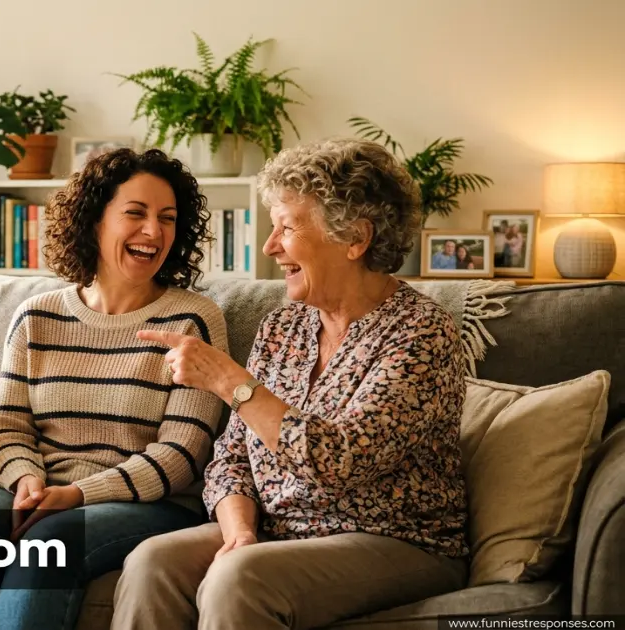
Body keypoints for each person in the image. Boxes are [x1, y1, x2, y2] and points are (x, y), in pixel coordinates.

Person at [112, 138, 469, 629]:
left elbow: (341, 460)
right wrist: (239, 531)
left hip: (396, 542)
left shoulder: (421, 333)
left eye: (287, 227)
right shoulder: (283, 327)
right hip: (282, 533)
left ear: (355, 239)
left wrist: (230, 381)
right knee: (151, 561)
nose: (270, 245)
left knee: (240, 578)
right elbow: (232, 458)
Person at [0, 148, 228, 630]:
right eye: (135, 213)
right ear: (94, 221)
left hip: (150, 505)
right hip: (42, 490)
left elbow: (182, 455)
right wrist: (26, 481)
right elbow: (8, 426)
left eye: (167, 218)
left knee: (49, 543)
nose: (154, 231)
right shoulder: (37, 316)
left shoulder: (193, 320)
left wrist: (79, 494)